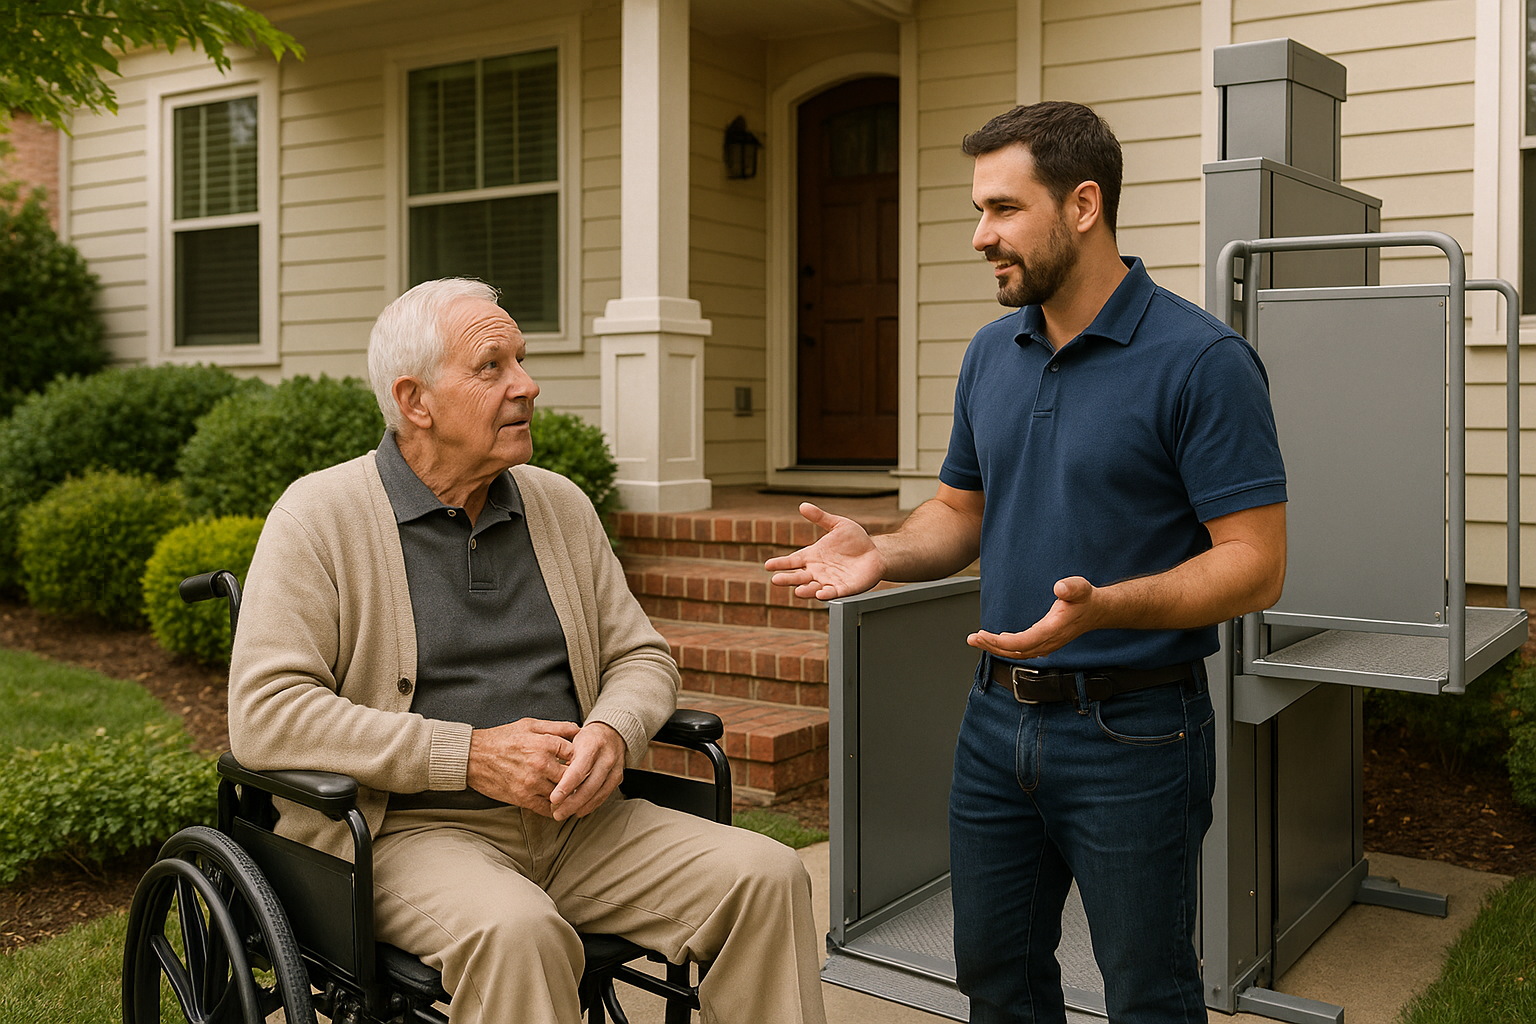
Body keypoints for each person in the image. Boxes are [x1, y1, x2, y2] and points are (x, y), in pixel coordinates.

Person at [767, 101, 1287, 1023]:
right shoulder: (989, 355)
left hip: (1136, 733)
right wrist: (882, 553)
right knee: (996, 976)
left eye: (1004, 209)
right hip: (994, 724)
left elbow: (1255, 565)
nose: (980, 236)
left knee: (1150, 992)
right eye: (980, 211)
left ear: (1083, 205)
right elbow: (959, 514)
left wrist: (1107, 607)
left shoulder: (1202, 360)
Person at [228, 278, 828, 1024]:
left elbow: (642, 657)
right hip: (408, 833)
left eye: (522, 359)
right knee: (519, 933)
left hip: (580, 825)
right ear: (415, 401)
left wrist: (614, 729)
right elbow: (267, 716)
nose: (528, 384)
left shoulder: (558, 505)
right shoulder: (320, 517)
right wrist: (469, 755)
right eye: (493, 367)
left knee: (765, 875)